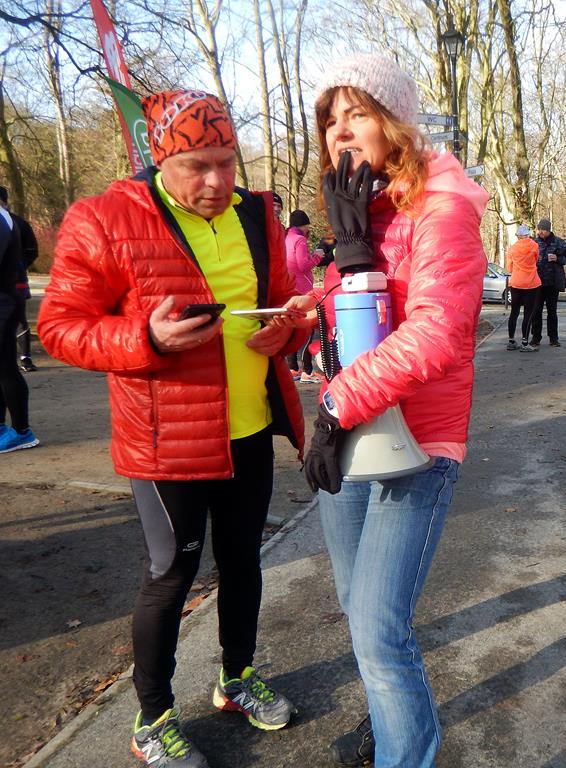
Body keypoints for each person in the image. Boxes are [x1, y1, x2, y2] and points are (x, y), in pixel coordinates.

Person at [38, 90, 307, 768]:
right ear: (161, 160)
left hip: (249, 428)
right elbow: (60, 328)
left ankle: (236, 678)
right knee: (171, 574)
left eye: (227, 162)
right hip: (165, 441)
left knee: (243, 561)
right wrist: (146, 338)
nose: (217, 182)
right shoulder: (104, 218)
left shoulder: (257, 214)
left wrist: (288, 331)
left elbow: (278, 307)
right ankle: (153, 719)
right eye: (196, 166)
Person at [284, 52, 487, 768]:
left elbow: (435, 332)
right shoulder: (362, 211)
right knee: (353, 603)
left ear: (394, 122)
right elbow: (357, 324)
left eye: (357, 112)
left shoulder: (443, 207)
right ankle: (389, 726)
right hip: (350, 431)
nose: (339, 130)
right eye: (329, 119)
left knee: (378, 628)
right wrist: (308, 310)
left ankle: (407, 752)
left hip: (418, 443)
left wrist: (334, 406)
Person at [0, 203, 37, 453]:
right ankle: (3, 427)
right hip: (6, 298)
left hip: (4, 302)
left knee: (5, 368)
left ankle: (22, 431)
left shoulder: (3, 220)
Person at [0, 186, 39, 372]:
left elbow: (32, 250)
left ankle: (25, 357)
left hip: (15, 281)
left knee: (20, 318)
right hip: (12, 280)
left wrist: (20, 265)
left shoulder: (18, 223)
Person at [284, 209, 322, 382]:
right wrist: (317, 257)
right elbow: (303, 265)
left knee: (293, 327)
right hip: (303, 287)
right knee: (308, 328)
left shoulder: (286, 237)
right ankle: (307, 370)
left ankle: (293, 368)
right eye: (307, 226)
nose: (308, 230)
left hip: (290, 285)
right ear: (304, 225)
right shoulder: (300, 240)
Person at [530, 217, 566, 347]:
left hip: (553, 282)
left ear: (548, 230)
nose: (540, 232)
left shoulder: (558, 242)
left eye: (543, 230)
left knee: (552, 311)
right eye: (539, 229)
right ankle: (535, 338)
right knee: (536, 311)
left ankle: (553, 338)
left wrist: (557, 258)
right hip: (536, 282)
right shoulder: (533, 242)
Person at [504, 224, 541, 352]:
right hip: (531, 283)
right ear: (528, 235)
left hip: (516, 283)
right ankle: (525, 343)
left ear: (518, 236)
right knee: (528, 314)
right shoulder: (534, 246)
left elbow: (509, 268)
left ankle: (511, 341)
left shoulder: (512, 249)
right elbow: (536, 260)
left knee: (514, 312)